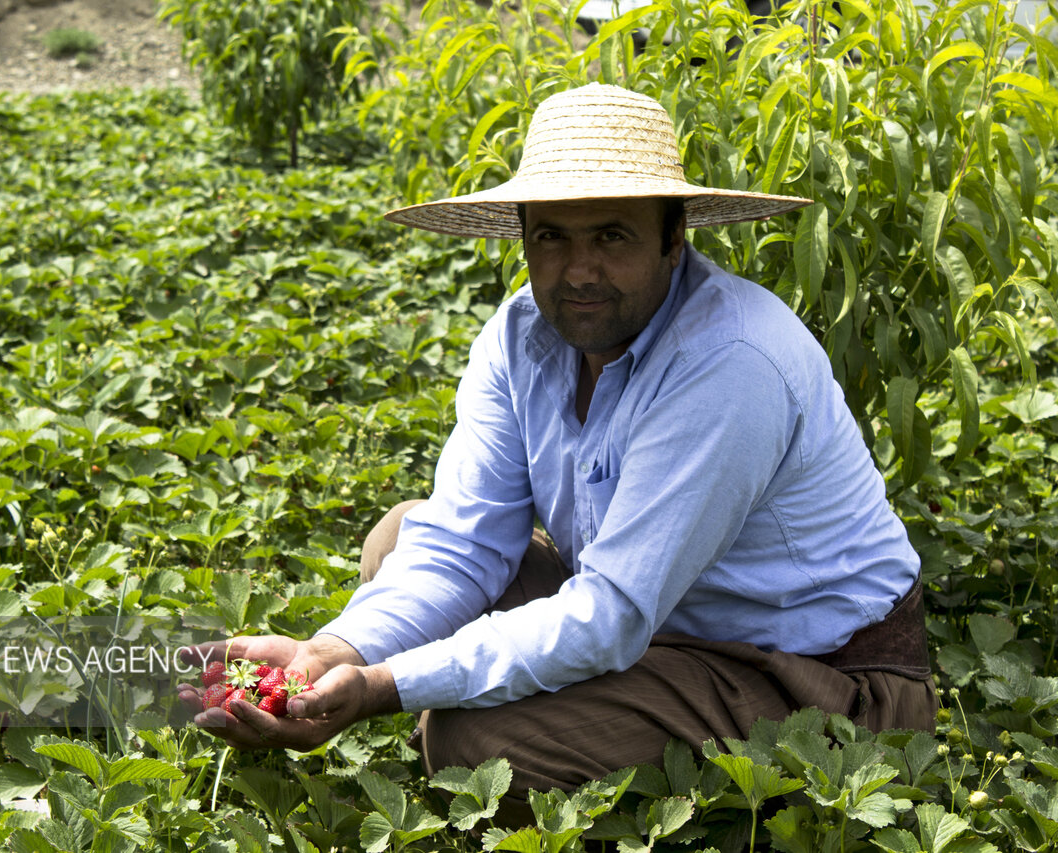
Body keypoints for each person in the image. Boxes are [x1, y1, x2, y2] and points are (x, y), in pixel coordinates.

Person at [178, 83, 937, 822]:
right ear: (523, 234)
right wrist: (334, 649)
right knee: (403, 535)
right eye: (552, 236)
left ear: (675, 239)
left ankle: (558, 729)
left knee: (470, 741)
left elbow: (608, 613)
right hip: (662, 626)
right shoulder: (523, 337)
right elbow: (465, 540)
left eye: (611, 236)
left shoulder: (730, 361)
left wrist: (385, 684)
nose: (579, 271)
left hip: (819, 680)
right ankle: (559, 709)